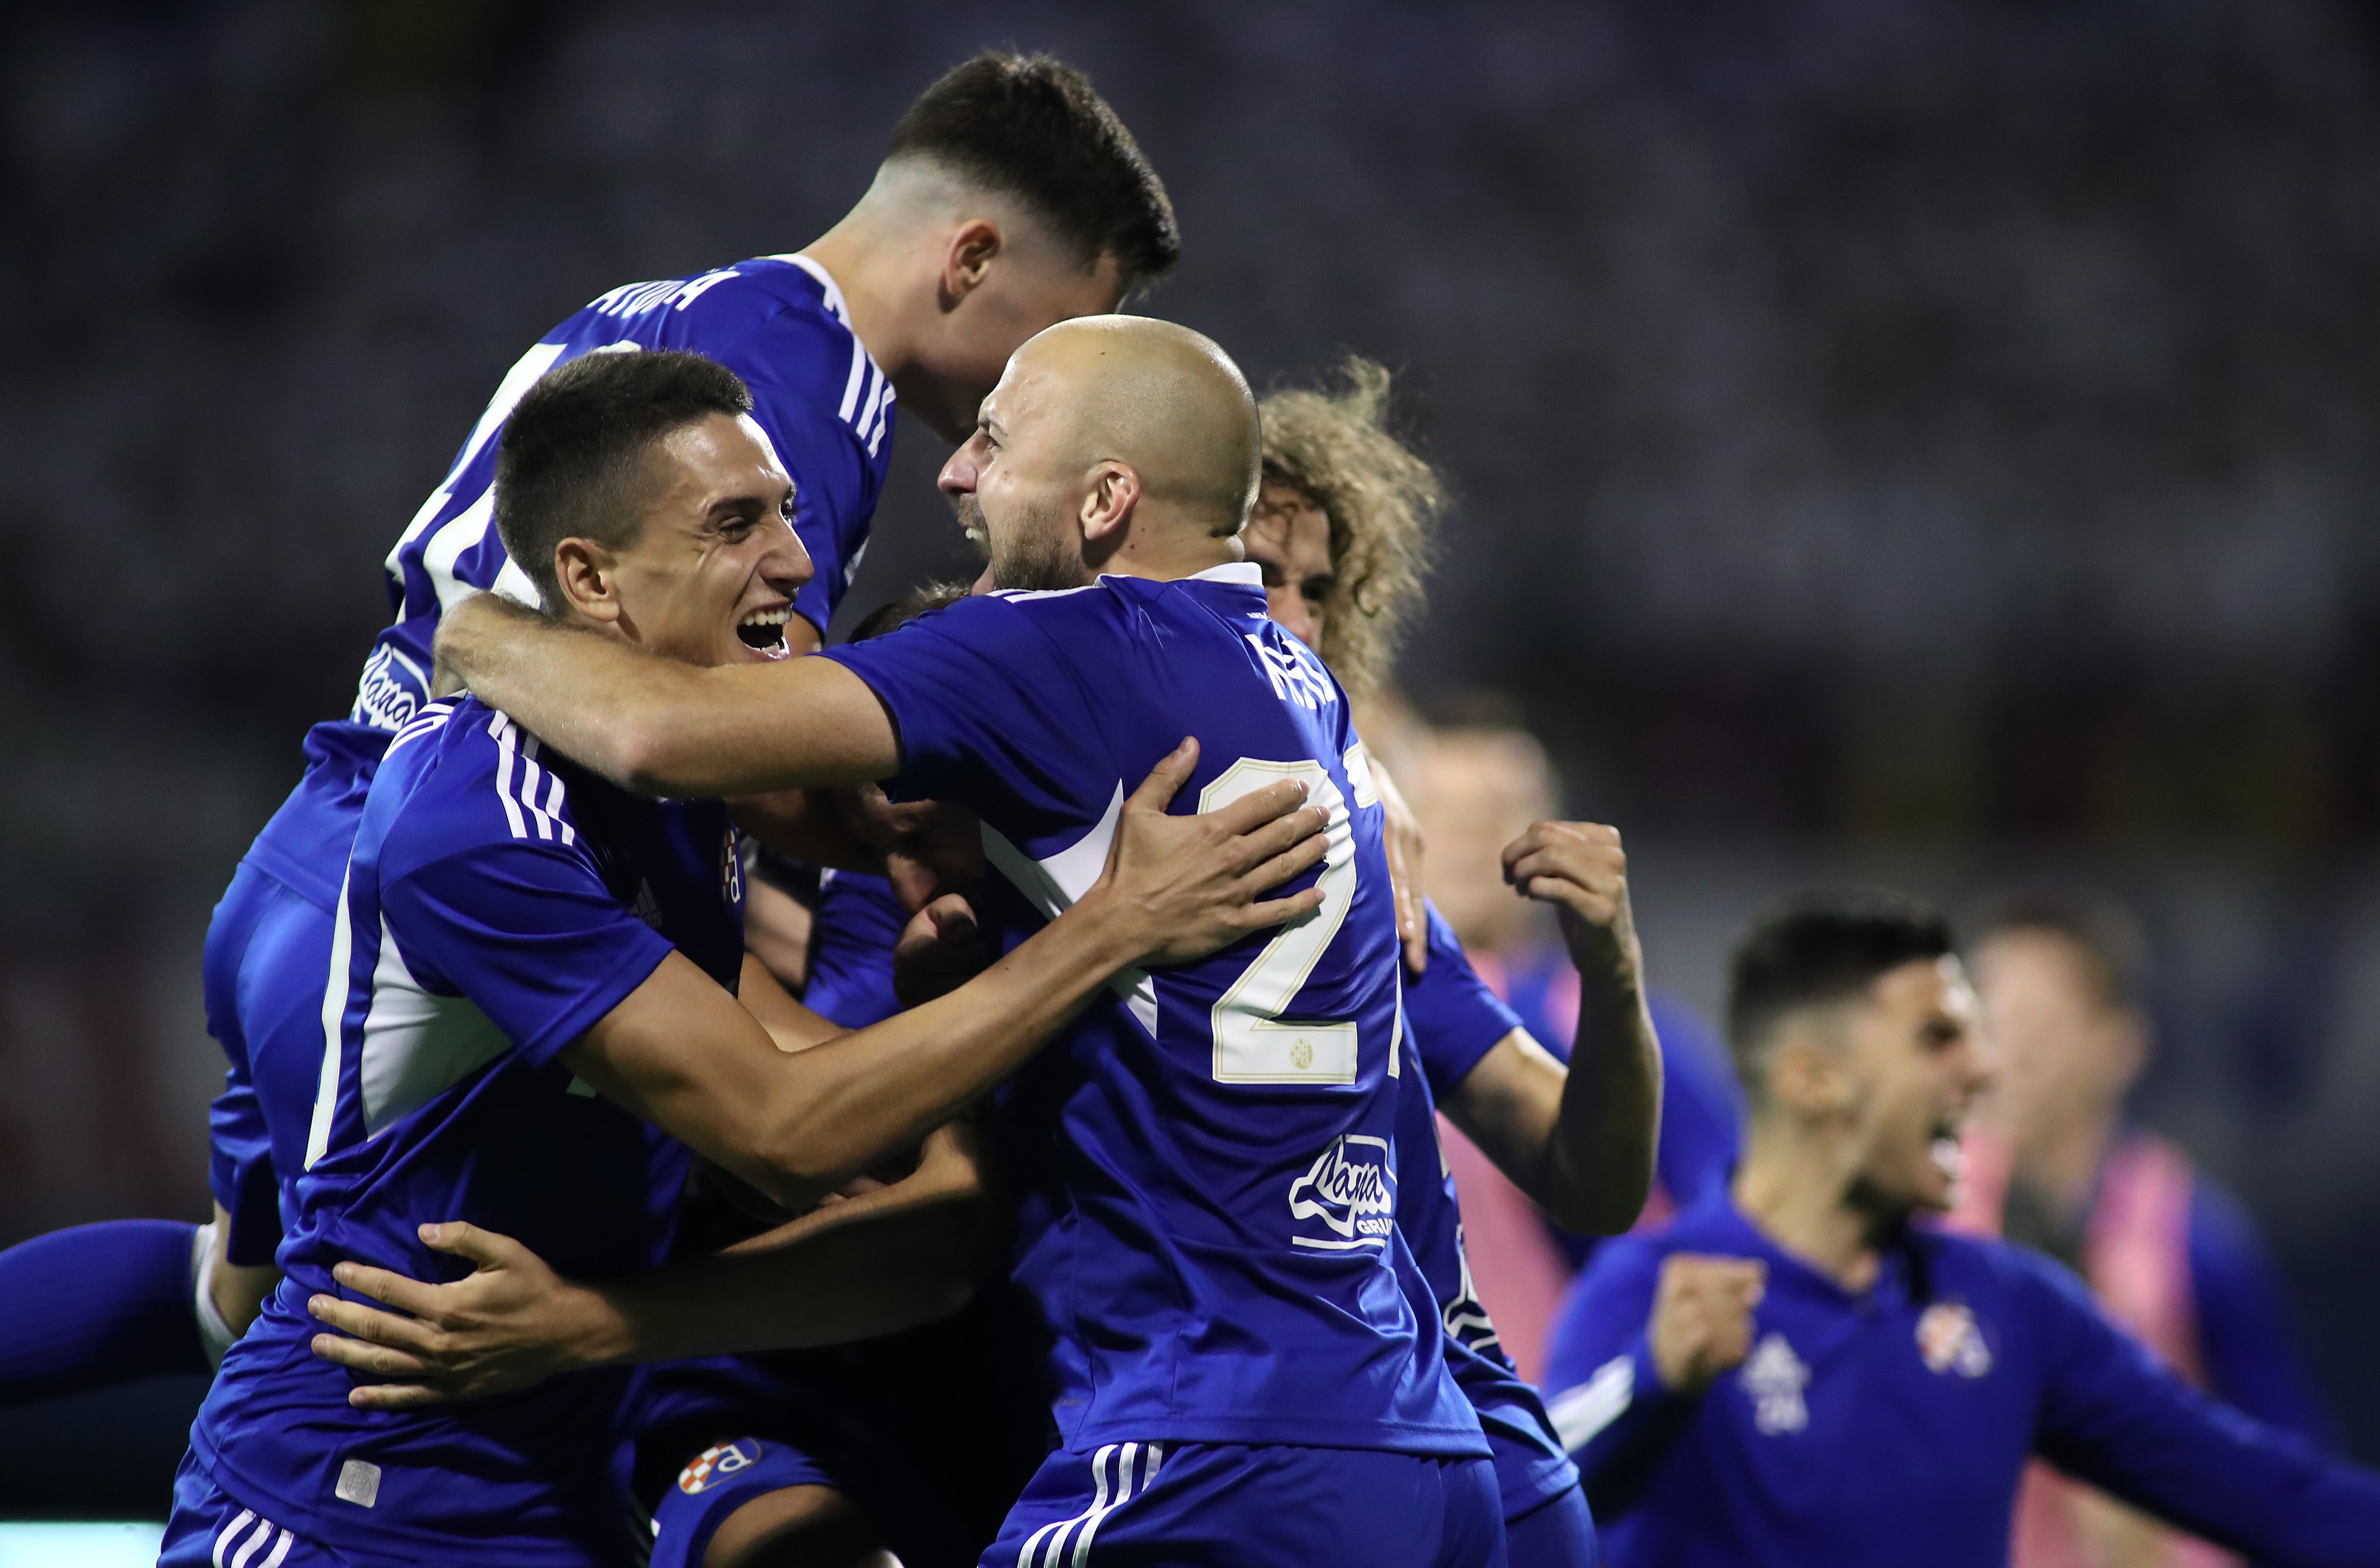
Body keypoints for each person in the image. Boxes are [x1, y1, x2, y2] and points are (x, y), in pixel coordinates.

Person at [325, 358, 1660, 1566]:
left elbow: (663, 745)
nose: (953, 472)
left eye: (993, 441)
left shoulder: (1051, 659)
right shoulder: (1316, 756)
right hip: (1436, 1452)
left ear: (1103, 500)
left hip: (1203, 1445)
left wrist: (469, 627)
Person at [0, 49, 1180, 1412]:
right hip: (463, 893)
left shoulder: (673, 309)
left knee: (238, 1294)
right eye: (1063, 329)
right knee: (554, 1305)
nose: (1049, 379)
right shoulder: (794, 387)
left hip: (329, 841)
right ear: (970, 258)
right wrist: (976, 829)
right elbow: (741, 740)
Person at [157, 349, 1327, 1568]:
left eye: (787, 512)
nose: (796, 560)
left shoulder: (688, 803)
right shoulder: (480, 813)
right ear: (589, 579)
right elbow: (787, 1131)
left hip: (560, 1495)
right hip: (349, 1495)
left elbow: (929, 1224)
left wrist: (599, 1322)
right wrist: (1115, 928)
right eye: (734, 525)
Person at [1538, 891, 2380, 1568]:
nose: (1984, 1068)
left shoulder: (2013, 1305)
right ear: (1812, 1077)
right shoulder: (1656, 1292)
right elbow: (1524, 1507)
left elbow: (2278, 1495)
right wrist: (1652, 1381)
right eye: (1938, 1037)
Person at [1957, 890, 2333, 1568]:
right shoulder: (1923, 1219)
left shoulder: (2192, 1239)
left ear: (2120, 1044)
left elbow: (2290, 1483)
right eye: (1989, 1020)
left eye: (2038, 1024)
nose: (2008, 1053)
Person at [1409, 715, 1745, 1380]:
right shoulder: (1359, 1012)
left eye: (1492, 815)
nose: (1466, 842)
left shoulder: (1626, 1030)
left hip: (1564, 1409)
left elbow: (1729, 1224)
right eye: (1442, 815)